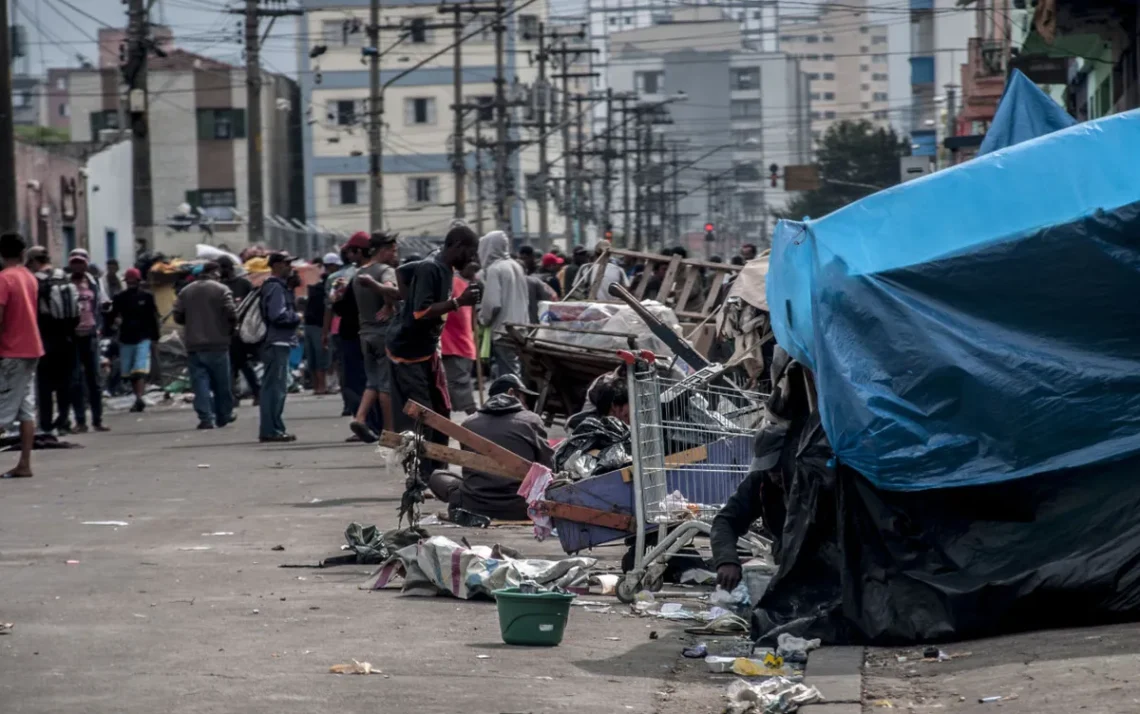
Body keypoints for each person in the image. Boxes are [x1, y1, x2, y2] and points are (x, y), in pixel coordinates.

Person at [387, 224, 481, 482]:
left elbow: (402, 271)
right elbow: (420, 313)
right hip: (409, 353)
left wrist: (400, 301)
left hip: (427, 351)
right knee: (423, 415)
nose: (472, 259)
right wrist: (458, 303)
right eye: (470, 253)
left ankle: (439, 470)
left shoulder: (440, 265)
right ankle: (422, 473)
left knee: (441, 411)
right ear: (457, 246)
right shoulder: (432, 267)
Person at [427, 374, 554, 521]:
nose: (525, 404)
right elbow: (548, 466)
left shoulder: (469, 423)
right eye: (524, 398)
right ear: (512, 393)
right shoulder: (532, 420)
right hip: (520, 506)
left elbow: (468, 470)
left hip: (475, 505)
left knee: (437, 477)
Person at [348, 232, 400, 442]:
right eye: (394, 250)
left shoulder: (359, 273)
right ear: (383, 250)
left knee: (372, 382)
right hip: (383, 333)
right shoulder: (386, 271)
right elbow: (392, 289)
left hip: (365, 334)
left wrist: (386, 303)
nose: (395, 255)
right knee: (386, 385)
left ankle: (360, 418)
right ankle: (390, 433)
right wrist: (389, 304)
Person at [0, 234, 44, 478]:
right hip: (31, 348)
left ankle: (24, 465)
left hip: (11, 351)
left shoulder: (4, 279)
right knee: (25, 409)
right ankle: (24, 464)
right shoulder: (29, 278)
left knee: (3, 410)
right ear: (23, 253)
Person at [173, 261, 237, 430]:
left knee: (200, 384)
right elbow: (231, 312)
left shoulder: (186, 291)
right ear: (215, 273)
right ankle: (223, 415)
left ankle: (206, 418)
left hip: (194, 344)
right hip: (218, 344)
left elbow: (178, 316)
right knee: (221, 384)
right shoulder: (222, 290)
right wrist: (229, 329)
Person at [28, 248, 77, 434]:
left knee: (45, 384)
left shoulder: (36, 280)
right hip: (67, 335)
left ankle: (46, 423)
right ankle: (64, 420)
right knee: (65, 382)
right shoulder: (63, 277)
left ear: (33, 261)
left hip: (45, 336)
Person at [324, 236, 368, 419]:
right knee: (371, 379)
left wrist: (324, 332)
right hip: (369, 332)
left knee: (351, 375)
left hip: (349, 331)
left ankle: (359, 416)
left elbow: (333, 307)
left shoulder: (338, 279)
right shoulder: (382, 272)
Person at [259, 252, 302, 443]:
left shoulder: (280, 287)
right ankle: (271, 430)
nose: (289, 267)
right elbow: (278, 314)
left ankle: (274, 427)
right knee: (275, 388)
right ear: (275, 265)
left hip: (278, 341)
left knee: (276, 387)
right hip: (277, 341)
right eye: (286, 263)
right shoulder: (275, 287)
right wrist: (297, 317)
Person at [477, 230, 530, 377]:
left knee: (508, 373)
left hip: (503, 330)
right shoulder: (516, 266)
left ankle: (512, 398)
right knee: (516, 368)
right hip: (521, 328)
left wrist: (482, 319)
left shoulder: (495, 269)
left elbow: (492, 304)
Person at [67, 249, 109, 433]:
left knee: (94, 380)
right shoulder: (65, 284)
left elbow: (104, 303)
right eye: (74, 262)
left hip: (91, 335)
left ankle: (97, 420)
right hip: (72, 337)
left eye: (81, 262)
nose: (77, 265)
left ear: (86, 264)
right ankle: (80, 420)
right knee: (75, 380)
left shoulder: (94, 282)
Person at [106, 267, 159, 413]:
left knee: (139, 369)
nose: (131, 283)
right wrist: (109, 325)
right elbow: (112, 316)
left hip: (143, 337)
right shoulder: (120, 298)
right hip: (126, 338)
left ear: (138, 281)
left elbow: (153, 318)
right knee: (128, 372)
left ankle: (139, 398)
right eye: (128, 280)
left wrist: (155, 337)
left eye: (133, 280)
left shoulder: (147, 297)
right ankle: (137, 396)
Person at [218, 256, 259, 406]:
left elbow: (253, 305)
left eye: (222, 268)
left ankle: (251, 392)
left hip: (242, 331)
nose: (220, 272)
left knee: (240, 363)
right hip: (225, 331)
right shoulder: (219, 286)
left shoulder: (243, 284)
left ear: (229, 269)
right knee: (235, 364)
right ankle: (237, 395)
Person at [441, 261, 479, 415]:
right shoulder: (458, 284)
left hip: (457, 345)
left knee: (459, 387)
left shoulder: (459, 285)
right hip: (457, 344)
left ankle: (476, 422)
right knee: (456, 386)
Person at [304, 254, 337, 395]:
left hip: (311, 323)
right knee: (320, 356)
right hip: (319, 324)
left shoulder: (316, 283)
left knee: (315, 356)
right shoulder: (328, 283)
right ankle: (321, 386)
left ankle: (318, 386)